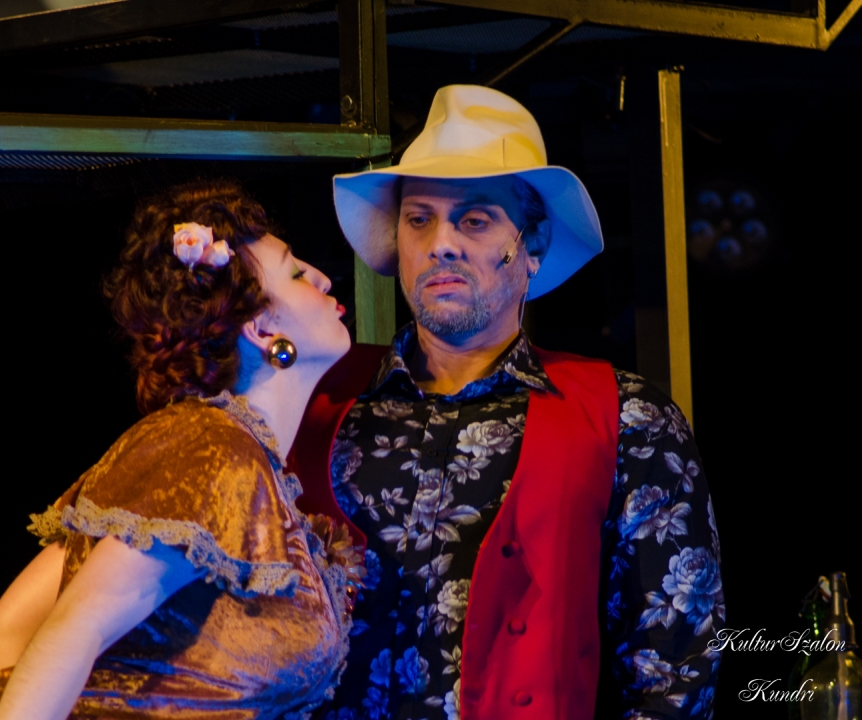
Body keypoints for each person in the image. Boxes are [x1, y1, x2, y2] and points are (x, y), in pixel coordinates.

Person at [289, 86, 724, 720]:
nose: (441, 242)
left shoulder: (627, 418)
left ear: (532, 245)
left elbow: (677, 674)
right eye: (419, 219)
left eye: (473, 220)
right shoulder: (317, 399)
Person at [0, 179, 362, 720]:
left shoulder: (224, 454)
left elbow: (9, 625)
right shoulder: (213, 450)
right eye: (297, 273)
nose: (323, 277)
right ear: (261, 328)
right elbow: (77, 624)